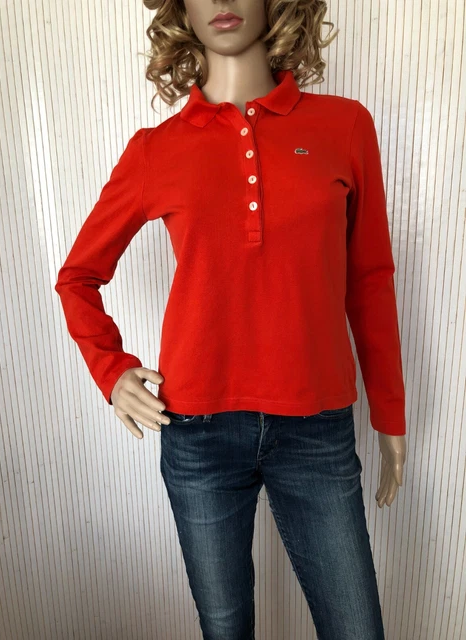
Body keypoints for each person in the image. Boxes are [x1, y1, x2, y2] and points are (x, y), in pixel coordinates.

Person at [55, 0, 407, 637]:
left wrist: (389, 415)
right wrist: (112, 372)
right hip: (198, 431)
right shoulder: (155, 150)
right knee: (224, 628)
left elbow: (370, 281)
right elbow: (77, 276)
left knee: (356, 626)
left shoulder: (345, 125)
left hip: (316, 427)